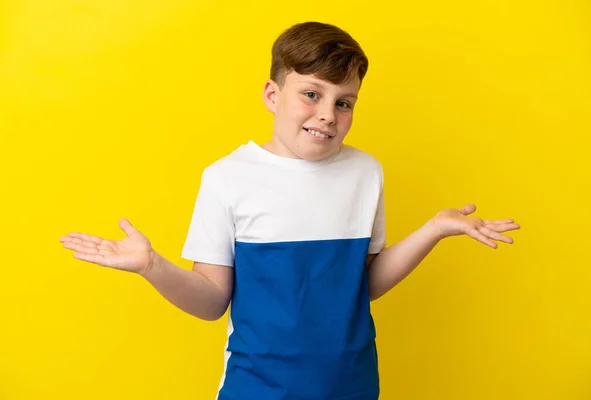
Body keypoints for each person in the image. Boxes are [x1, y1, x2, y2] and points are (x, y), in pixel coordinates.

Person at [60, 21, 520, 400]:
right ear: (272, 95)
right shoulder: (227, 177)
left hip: (353, 387)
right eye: (312, 94)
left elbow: (364, 285)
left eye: (344, 103)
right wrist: (151, 265)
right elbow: (211, 301)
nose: (327, 114)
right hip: (258, 390)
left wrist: (433, 230)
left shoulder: (366, 173)